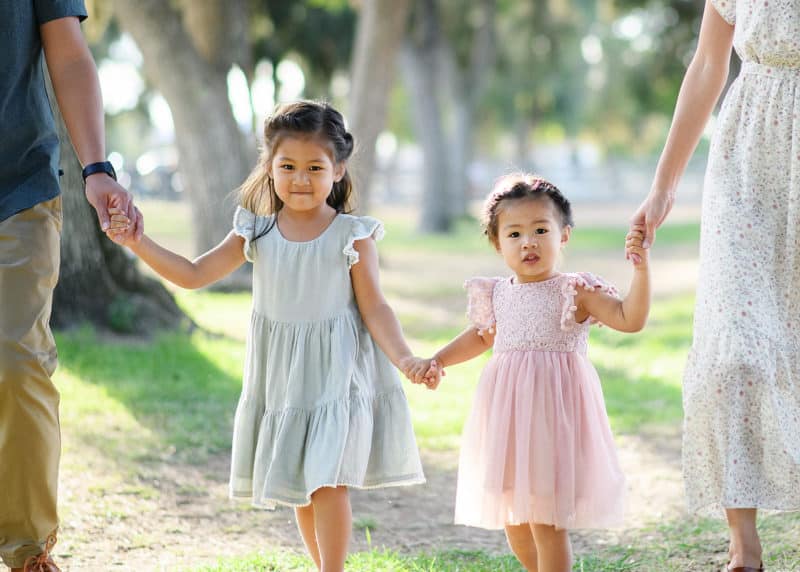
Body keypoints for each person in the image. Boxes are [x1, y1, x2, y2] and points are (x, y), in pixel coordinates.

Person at [107, 100, 427, 572]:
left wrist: (405, 358)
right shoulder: (255, 231)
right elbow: (195, 274)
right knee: (300, 481)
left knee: (328, 481)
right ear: (270, 168)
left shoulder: (352, 235)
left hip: (335, 374)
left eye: (315, 167)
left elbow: (375, 306)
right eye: (289, 166)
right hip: (283, 377)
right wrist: (136, 242)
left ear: (338, 170)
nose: (301, 178)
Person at [629, 0, 800, 569]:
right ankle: (743, 542)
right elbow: (708, 63)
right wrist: (664, 186)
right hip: (747, 158)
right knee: (735, 346)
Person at [410, 174, 650, 572]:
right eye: (515, 233)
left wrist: (641, 271)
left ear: (564, 235)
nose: (529, 242)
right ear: (496, 241)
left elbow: (630, 318)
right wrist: (437, 360)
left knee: (545, 518)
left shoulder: (576, 291)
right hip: (509, 419)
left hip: (554, 417)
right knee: (514, 517)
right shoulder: (498, 293)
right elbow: (479, 337)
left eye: (541, 230)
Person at [0, 2, 140, 571]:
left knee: (17, 361)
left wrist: (96, 168)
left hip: (18, 187)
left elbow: (68, 51)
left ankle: (29, 548)